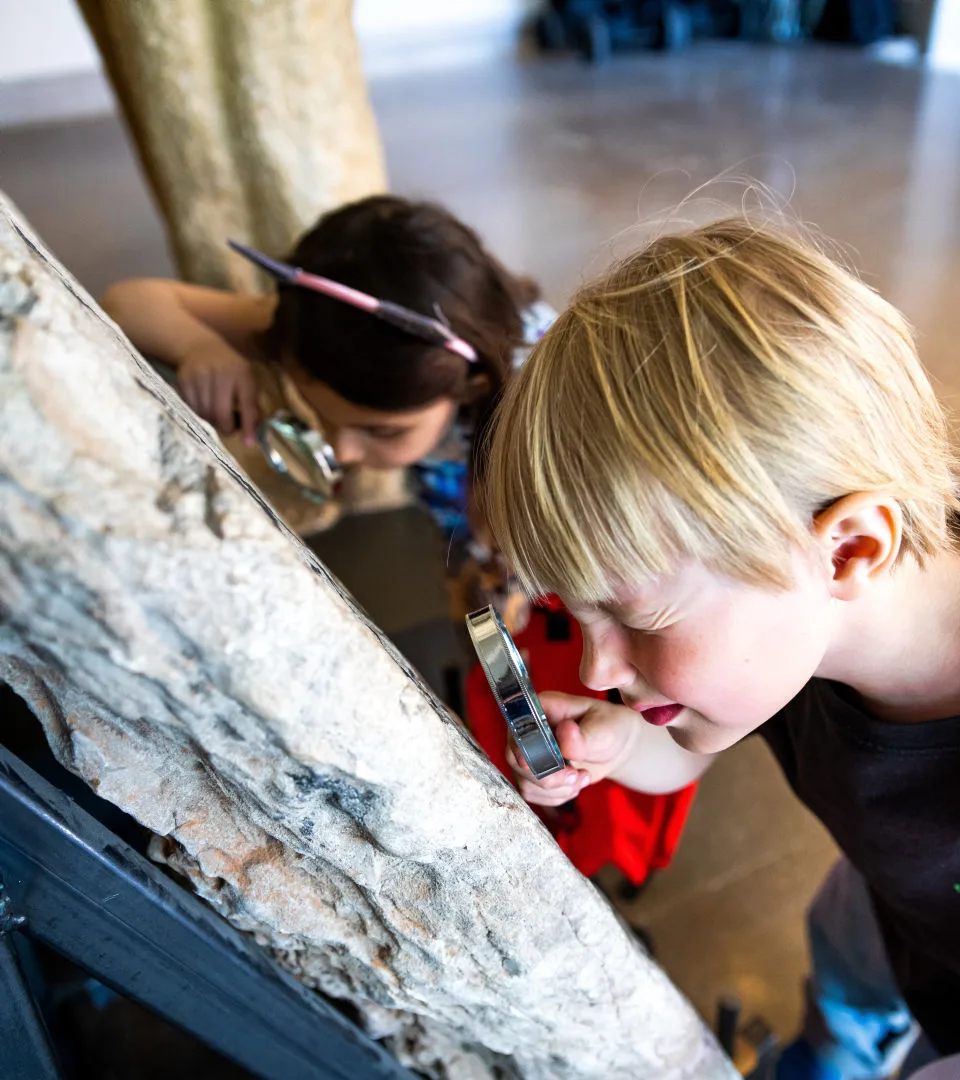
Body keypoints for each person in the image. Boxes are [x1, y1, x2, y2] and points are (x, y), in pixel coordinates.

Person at [478, 217, 960, 1076]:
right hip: (890, 897)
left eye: (637, 619)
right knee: (847, 953)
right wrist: (625, 742)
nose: (598, 670)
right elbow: (686, 751)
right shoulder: (793, 619)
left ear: (848, 548)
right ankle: (838, 1044)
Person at [101, 194, 554, 618]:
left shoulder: (545, 394)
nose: (343, 452)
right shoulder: (320, 334)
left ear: (472, 385)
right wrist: (198, 346)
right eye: (327, 419)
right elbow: (129, 302)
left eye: (381, 431)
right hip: (466, 540)